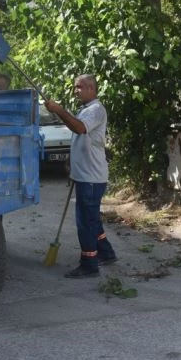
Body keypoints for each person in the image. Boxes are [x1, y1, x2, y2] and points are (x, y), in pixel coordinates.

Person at [45, 74, 117, 278]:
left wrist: (59, 110)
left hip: (91, 177)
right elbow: (78, 134)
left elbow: (79, 128)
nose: (76, 90)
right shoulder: (86, 109)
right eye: (75, 87)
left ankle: (89, 263)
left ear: (92, 89)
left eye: (81, 87)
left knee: (86, 222)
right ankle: (106, 253)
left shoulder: (95, 110)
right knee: (92, 220)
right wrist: (71, 161)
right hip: (86, 175)